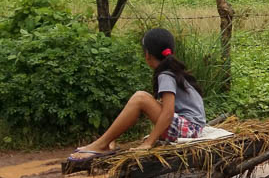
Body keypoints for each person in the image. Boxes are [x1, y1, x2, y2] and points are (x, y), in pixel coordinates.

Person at [67, 28, 206, 161]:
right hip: (191, 128)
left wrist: (149, 143)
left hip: (190, 130)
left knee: (140, 98)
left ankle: (100, 144)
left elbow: (168, 113)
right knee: (142, 98)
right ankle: (107, 141)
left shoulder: (165, 75)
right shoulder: (172, 70)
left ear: (147, 54)